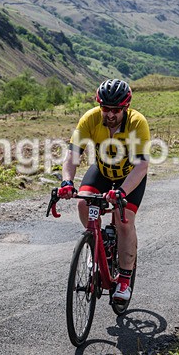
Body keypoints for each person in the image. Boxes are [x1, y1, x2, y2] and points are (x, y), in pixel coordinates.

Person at [58, 79, 150, 303]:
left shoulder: (137, 123)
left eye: (116, 110)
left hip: (129, 178)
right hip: (101, 171)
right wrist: (67, 182)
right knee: (83, 203)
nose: (110, 115)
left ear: (125, 108)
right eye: (106, 109)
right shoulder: (90, 119)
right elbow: (72, 156)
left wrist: (122, 192)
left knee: (123, 219)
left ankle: (124, 278)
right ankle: (97, 243)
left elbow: (141, 166)